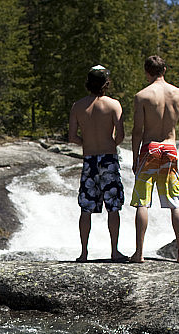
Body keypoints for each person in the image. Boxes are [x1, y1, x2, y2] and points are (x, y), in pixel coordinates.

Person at [129, 55, 179, 263]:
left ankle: (139, 253)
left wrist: (135, 156)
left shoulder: (142, 96)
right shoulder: (178, 93)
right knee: (175, 202)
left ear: (147, 72)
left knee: (142, 202)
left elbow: (138, 130)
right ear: (164, 69)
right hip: (170, 148)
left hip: (150, 147)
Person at [68, 65, 127, 263]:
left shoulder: (78, 106)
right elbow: (120, 134)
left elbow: (72, 137)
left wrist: (86, 143)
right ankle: (114, 251)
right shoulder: (113, 105)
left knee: (86, 207)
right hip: (108, 158)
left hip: (89, 158)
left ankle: (84, 253)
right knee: (113, 207)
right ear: (106, 83)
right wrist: (111, 144)